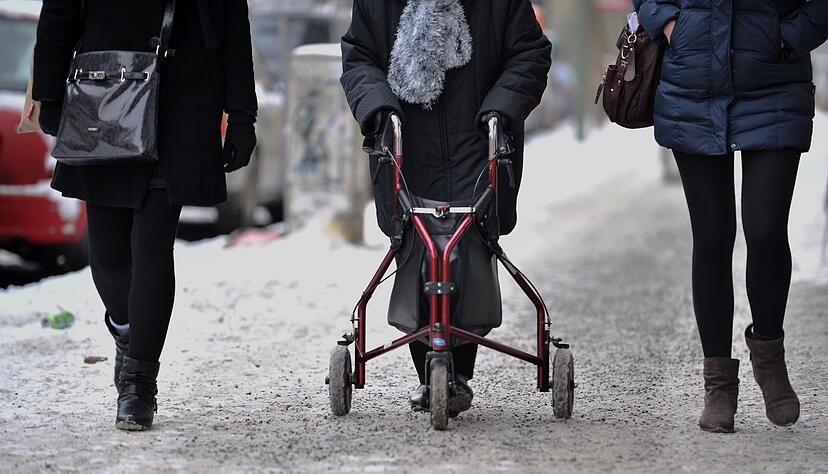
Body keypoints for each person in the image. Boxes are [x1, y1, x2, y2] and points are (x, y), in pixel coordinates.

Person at [32, 0, 257, 431]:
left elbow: (233, 22)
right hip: (107, 92)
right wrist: (49, 93)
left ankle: (138, 384)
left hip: (184, 101)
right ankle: (127, 329)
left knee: (152, 247)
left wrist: (243, 114)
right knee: (109, 261)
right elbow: (60, 8)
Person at [340, 0, 551, 414]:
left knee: (466, 250)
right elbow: (358, 57)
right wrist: (378, 106)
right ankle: (432, 372)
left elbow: (530, 53)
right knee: (417, 251)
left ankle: (455, 372)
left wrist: (501, 108)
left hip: (477, 141)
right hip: (405, 146)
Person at [635, 0, 828, 432]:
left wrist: (791, 34)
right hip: (693, 82)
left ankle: (769, 354)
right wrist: (668, 25)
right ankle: (718, 383)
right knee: (713, 236)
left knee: (765, 230)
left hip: (774, 80)